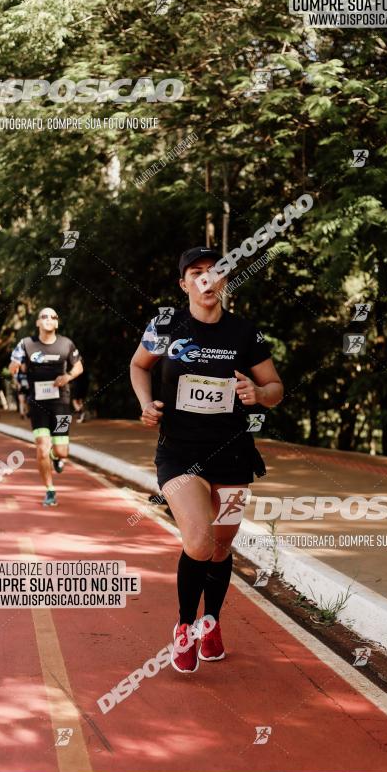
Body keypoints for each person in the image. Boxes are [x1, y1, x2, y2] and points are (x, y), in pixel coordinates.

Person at [130, 247, 284, 673]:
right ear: (184, 284)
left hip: (234, 453)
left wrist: (260, 395)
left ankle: (211, 622)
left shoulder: (243, 333)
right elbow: (139, 365)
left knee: (221, 546)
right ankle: (183, 626)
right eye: (195, 273)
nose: (205, 279)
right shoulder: (167, 325)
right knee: (198, 540)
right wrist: (146, 403)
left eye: (213, 272)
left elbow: (274, 387)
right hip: (180, 453)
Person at [9, 307, 83, 507]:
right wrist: (14, 368)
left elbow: (79, 366)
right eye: (44, 316)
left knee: (62, 451)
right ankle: (50, 490)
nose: (48, 319)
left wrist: (67, 377)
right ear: (37, 323)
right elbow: (13, 364)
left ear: (57, 323)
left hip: (61, 402)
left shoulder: (66, 344)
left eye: (52, 317)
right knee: (41, 447)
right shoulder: (26, 344)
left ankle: (55, 456)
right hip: (37, 402)